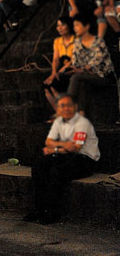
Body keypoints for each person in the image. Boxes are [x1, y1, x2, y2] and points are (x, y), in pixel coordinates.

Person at [24, 95, 99, 225]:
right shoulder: (59, 122)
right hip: (66, 155)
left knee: (57, 171)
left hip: (85, 159)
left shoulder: (82, 124)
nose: (65, 109)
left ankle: (53, 212)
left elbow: (75, 147)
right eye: (62, 106)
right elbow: (48, 142)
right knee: (39, 166)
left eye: (68, 106)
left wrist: (56, 149)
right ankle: (39, 210)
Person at [66, 16, 116, 117]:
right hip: (87, 75)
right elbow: (76, 63)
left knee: (76, 77)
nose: (75, 28)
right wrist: (83, 69)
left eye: (77, 25)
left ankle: (67, 107)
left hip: (103, 76)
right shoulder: (77, 43)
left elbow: (96, 63)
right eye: (74, 25)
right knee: (81, 81)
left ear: (86, 27)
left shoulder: (98, 42)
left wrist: (83, 69)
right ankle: (81, 113)